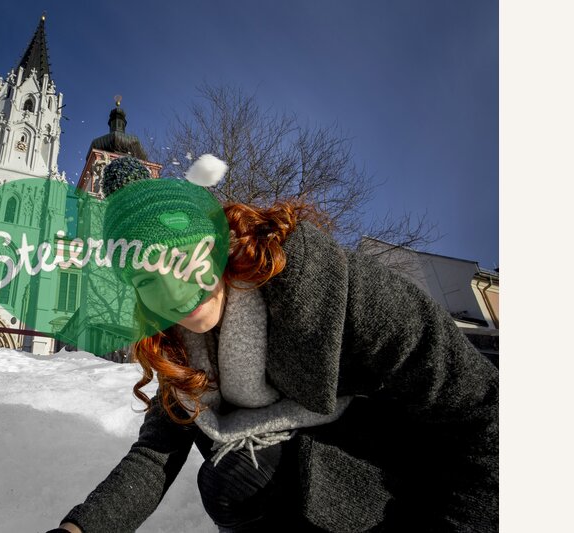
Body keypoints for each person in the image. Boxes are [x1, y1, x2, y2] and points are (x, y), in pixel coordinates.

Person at [47, 157, 497, 532]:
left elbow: (482, 414)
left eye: (181, 257)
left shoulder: (331, 288)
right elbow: (154, 453)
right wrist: (79, 529)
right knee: (234, 479)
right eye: (147, 278)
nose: (174, 294)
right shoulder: (176, 347)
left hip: (411, 486)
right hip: (293, 496)